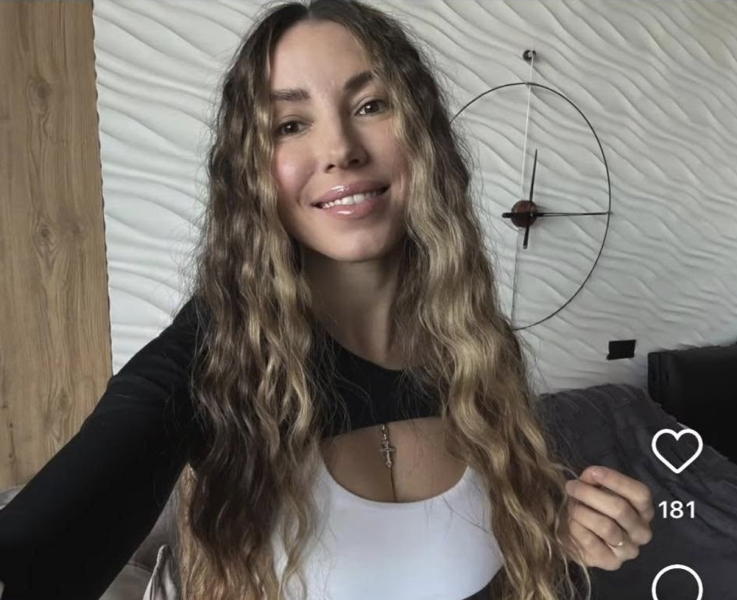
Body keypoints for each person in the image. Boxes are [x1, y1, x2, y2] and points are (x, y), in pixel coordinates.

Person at [0, 1, 655, 599]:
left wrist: (557, 520)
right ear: (251, 170)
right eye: (290, 124)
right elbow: (41, 547)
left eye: (371, 106)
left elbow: (486, 533)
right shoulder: (213, 354)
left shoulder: (478, 341)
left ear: (423, 136)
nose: (340, 149)